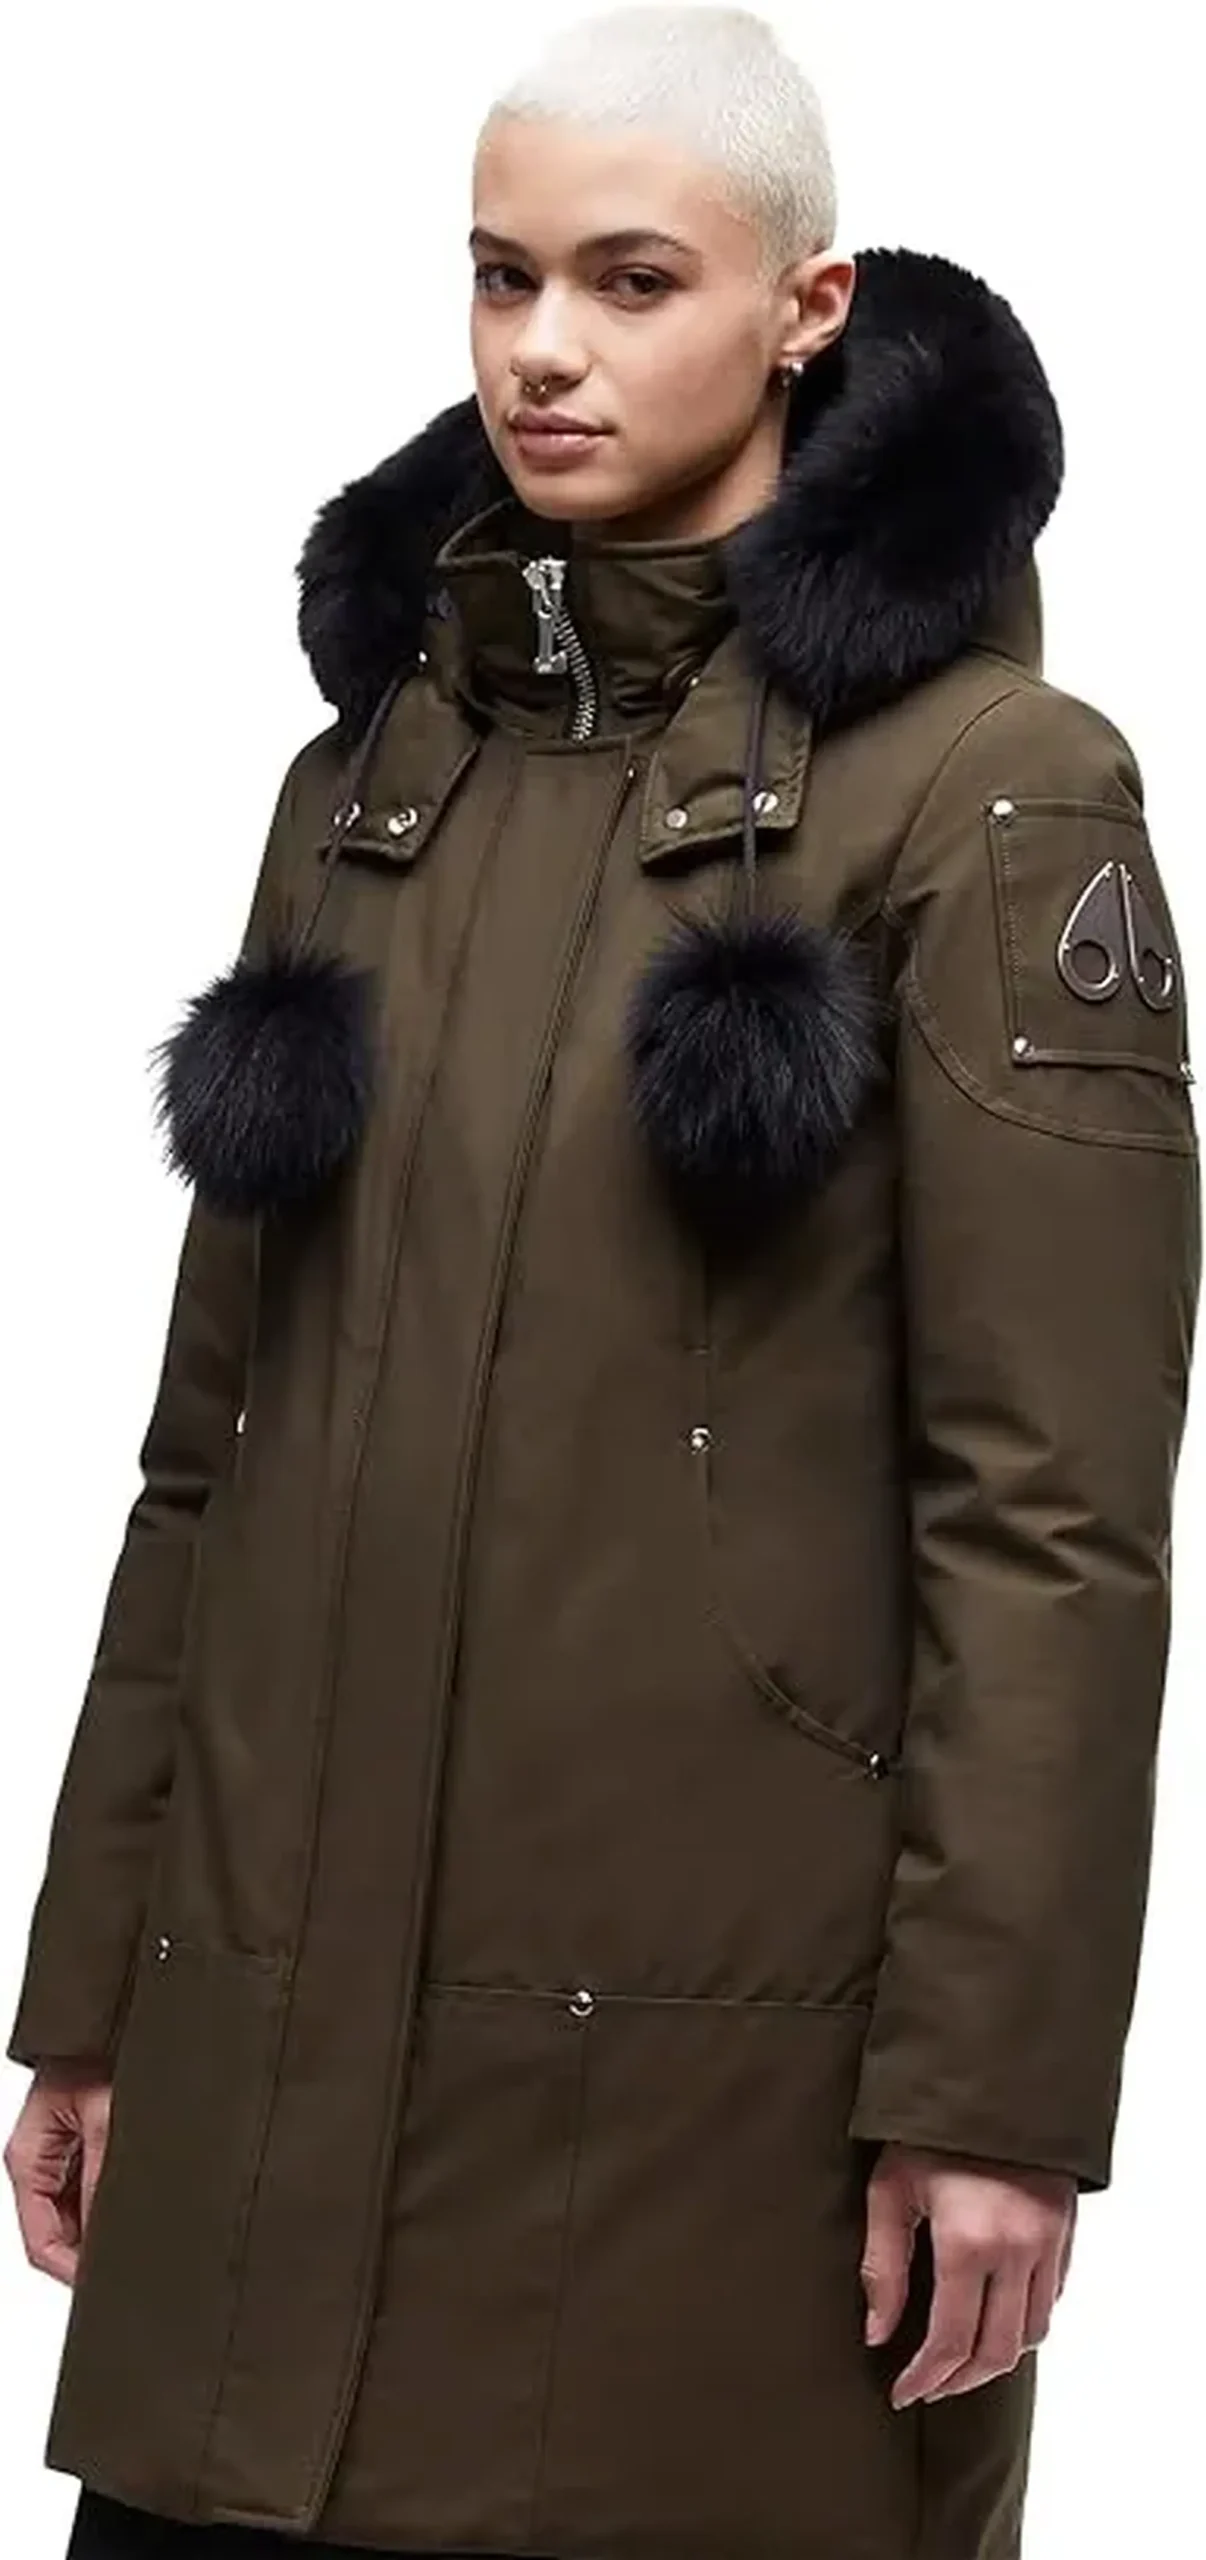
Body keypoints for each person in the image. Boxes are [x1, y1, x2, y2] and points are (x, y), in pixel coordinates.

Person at [5, 7, 1199, 2557]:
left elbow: (1049, 1507)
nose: (544, 347)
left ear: (803, 304)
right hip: (266, 2082)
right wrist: (93, 1989)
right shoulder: (365, 792)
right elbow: (206, 1453)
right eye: (501, 275)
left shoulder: (991, 792)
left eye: (633, 279)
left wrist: (995, 2094)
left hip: (704, 2117)